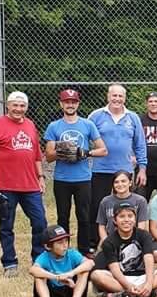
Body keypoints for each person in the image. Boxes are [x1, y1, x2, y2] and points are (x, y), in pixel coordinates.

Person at [0, 91, 47, 277]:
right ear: (8, 106)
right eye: (15, 105)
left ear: (26, 107)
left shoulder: (30, 125)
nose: (18, 109)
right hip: (6, 185)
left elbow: (36, 156)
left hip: (30, 186)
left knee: (40, 222)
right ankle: (10, 263)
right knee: (6, 225)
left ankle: (39, 259)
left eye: (22, 105)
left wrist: (40, 177)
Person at [43, 88, 107, 257]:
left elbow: (103, 150)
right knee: (62, 216)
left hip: (83, 178)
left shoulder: (87, 124)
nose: (70, 105)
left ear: (78, 104)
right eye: (66, 102)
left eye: (73, 102)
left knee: (84, 216)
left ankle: (84, 250)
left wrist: (85, 153)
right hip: (62, 179)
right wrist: (62, 151)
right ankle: (63, 249)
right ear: (61, 104)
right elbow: (48, 156)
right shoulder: (54, 126)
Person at [88, 83, 148, 251]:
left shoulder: (133, 117)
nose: (117, 99)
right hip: (100, 170)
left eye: (120, 96)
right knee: (98, 207)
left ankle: (129, 243)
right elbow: (85, 139)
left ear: (124, 98)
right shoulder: (96, 116)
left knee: (126, 208)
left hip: (124, 171)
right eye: (114, 96)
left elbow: (140, 145)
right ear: (108, 97)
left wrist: (142, 168)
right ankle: (94, 244)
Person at [90, 202, 157, 297]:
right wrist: (128, 286)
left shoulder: (144, 235)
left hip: (143, 277)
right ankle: (147, 293)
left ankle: (124, 296)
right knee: (96, 275)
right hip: (121, 279)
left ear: (135, 219)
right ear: (114, 220)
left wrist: (148, 283)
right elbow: (114, 269)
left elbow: (149, 259)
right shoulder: (109, 241)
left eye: (130, 216)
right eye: (121, 216)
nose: (126, 220)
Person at [30, 224, 94, 297]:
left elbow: (90, 263)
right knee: (39, 276)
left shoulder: (71, 253)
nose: (65, 245)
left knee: (84, 270)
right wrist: (57, 277)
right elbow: (33, 270)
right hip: (52, 294)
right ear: (48, 246)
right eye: (60, 242)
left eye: (66, 241)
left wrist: (71, 273)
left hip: (70, 291)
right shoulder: (44, 257)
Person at [96, 170, 150, 241]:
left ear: (130, 183)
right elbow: (101, 226)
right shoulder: (105, 201)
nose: (120, 184)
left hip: (134, 240)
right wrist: (107, 243)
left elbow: (141, 226)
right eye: (116, 182)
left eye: (123, 181)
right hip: (111, 240)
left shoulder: (140, 201)